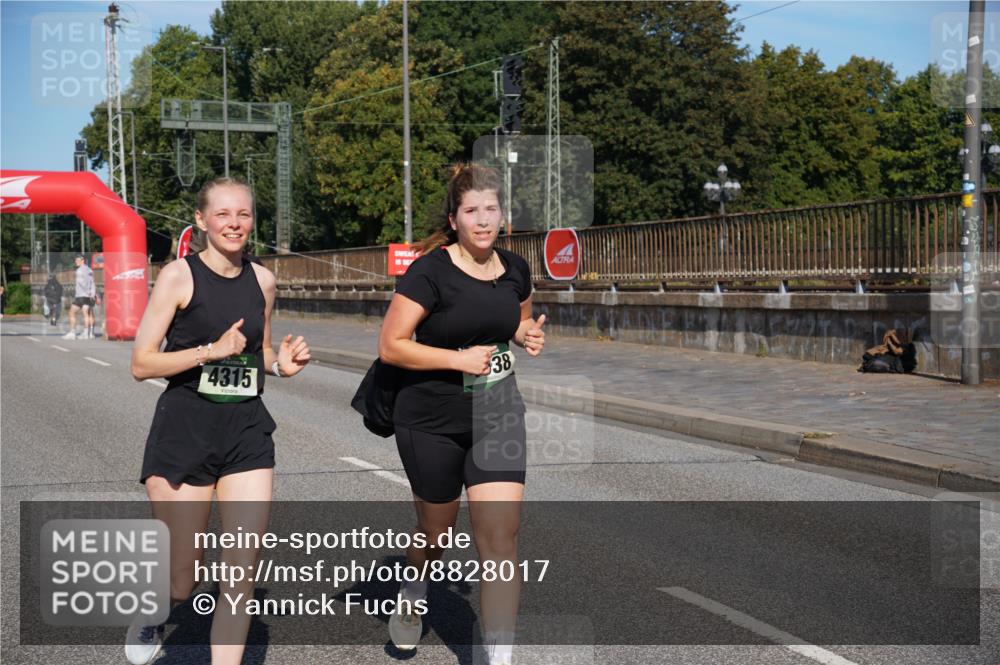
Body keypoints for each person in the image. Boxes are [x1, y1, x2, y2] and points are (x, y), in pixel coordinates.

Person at [127, 176, 311, 665]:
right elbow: (142, 363)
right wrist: (210, 351)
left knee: (241, 567)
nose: (235, 223)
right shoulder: (178, 277)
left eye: (244, 214)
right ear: (201, 220)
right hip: (185, 433)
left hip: (246, 434)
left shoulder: (264, 281)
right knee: (181, 578)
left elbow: (262, 349)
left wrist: (279, 365)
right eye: (224, 214)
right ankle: (155, 605)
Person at [378, 164, 546, 665]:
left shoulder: (515, 269)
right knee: (437, 534)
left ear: (502, 216)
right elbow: (391, 346)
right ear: (454, 219)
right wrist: (456, 359)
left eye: (490, 209)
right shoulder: (430, 272)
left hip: (498, 409)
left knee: (500, 537)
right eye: (471, 211)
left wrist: (524, 335)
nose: (482, 219)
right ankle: (414, 586)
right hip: (430, 418)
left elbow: (515, 318)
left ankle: (497, 658)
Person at [63, 254, 96, 339]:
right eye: (75, 260)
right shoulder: (89, 270)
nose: (76, 262)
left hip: (81, 295)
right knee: (88, 313)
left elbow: (82, 283)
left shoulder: (79, 271)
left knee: (72, 312)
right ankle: (89, 333)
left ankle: (72, 333)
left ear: (83, 260)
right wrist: (92, 293)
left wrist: (87, 292)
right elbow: (92, 282)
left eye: (77, 260)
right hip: (89, 296)